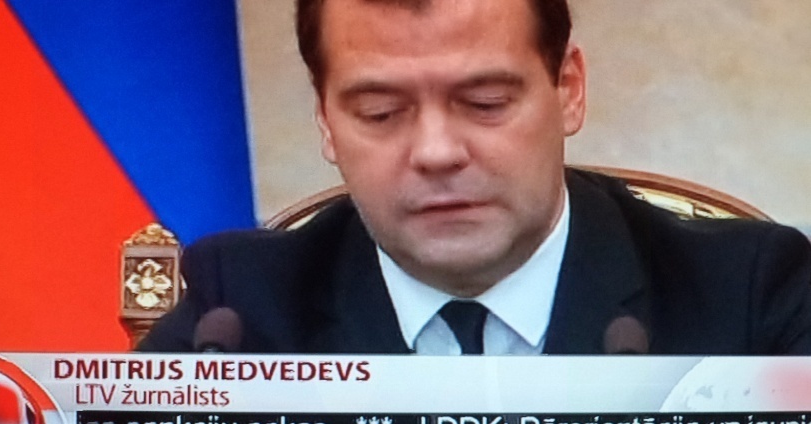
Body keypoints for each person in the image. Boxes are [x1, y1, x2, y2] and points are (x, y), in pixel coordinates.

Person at [139, 0, 811, 355]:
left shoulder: (751, 299)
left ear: (569, 89)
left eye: (485, 103)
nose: (436, 152)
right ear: (325, 119)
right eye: (381, 112)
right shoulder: (238, 313)